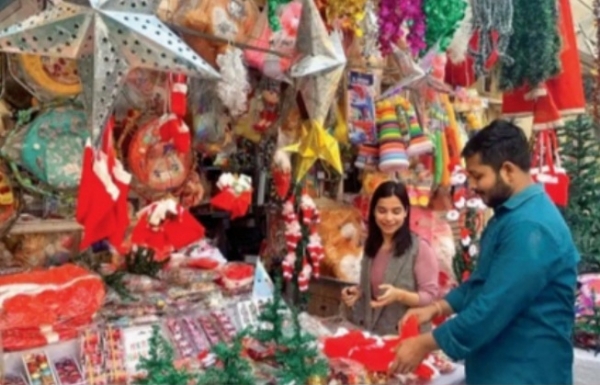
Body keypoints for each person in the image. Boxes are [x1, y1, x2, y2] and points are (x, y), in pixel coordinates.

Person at [390, 120, 579, 385]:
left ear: (508, 170)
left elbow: (493, 307)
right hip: (498, 370)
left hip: (526, 373)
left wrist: (424, 343)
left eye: (478, 176)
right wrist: (435, 308)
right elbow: (481, 283)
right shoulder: (511, 215)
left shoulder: (530, 227)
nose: (473, 186)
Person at [341, 180, 440, 335]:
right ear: (373, 211)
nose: (388, 218)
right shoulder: (371, 246)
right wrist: (358, 292)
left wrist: (399, 295)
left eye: (396, 211)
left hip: (408, 338)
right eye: (382, 210)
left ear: (406, 212)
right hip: (374, 333)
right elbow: (372, 286)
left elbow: (429, 297)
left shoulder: (420, 249)